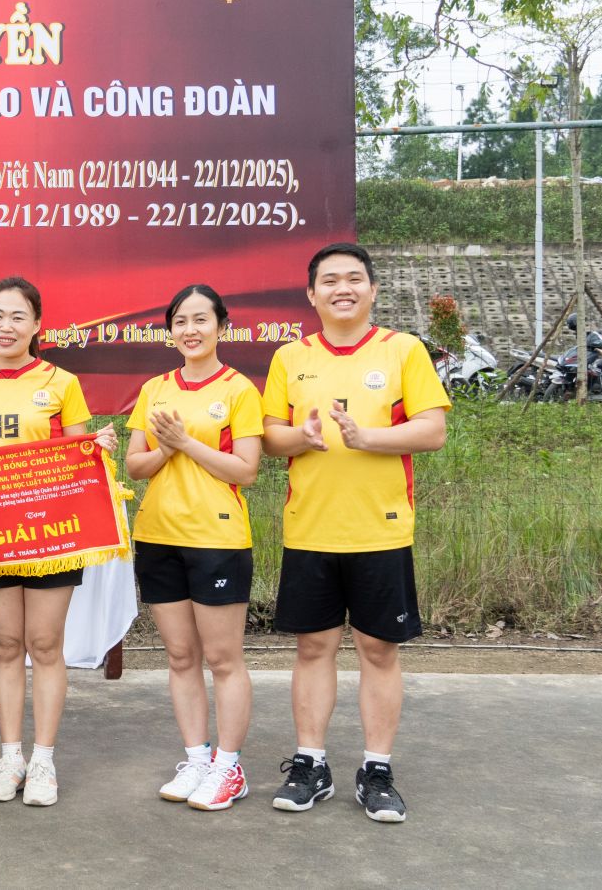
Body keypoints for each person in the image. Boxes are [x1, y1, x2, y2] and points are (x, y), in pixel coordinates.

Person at [262, 242, 449, 823]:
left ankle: (377, 770)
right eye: (330, 280)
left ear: (372, 289)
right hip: (310, 529)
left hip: (380, 531)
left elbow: (432, 430)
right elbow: (270, 435)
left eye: (353, 279)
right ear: (311, 293)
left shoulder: (403, 350)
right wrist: (302, 437)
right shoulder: (290, 357)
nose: (342, 289)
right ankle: (310, 764)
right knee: (312, 648)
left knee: (378, 650)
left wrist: (366, 437)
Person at [0, 276, 117, 807]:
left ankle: (43, 761)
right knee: (7, 645)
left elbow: (79, 459)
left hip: (52, 534)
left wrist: (100, 446)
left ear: (37, 325)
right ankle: (11, 756)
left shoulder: (62, 382)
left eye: (18, 316)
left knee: (45, 644)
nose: (6, 326)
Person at [124, 284, 263, 812]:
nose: (190, 330)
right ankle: (197, 759)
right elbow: (135, 466)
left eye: (201, 319)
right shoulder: (155, 389)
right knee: (181, 656)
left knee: (223, 658)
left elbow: (245, 470)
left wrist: (185, 443)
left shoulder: (239, 390)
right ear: (170, 331)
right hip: (158, 535)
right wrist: (166, 449)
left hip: (217, 538)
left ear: (221, 326)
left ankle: (229, 767)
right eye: (180, 321)